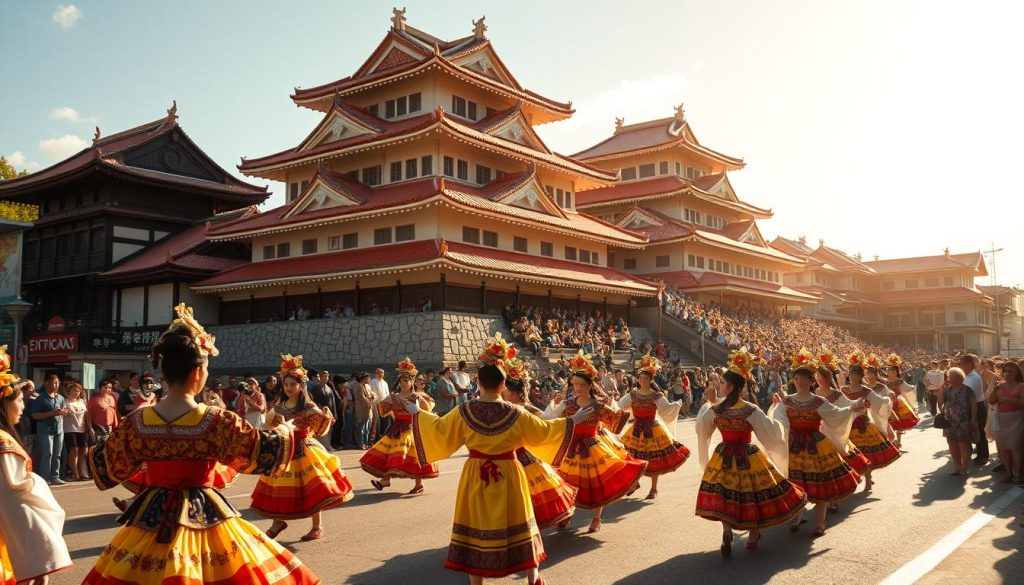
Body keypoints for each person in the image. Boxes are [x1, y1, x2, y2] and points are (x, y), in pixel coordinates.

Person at [84, 303, 319, 583]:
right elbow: (258, 452)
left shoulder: (136, 421)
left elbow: (106, 466)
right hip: (203, 512)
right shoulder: (216, 420)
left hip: (150, 516)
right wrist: (288, 429)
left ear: (164, 373)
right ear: (197, 372)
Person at [407, 333, 593, 585]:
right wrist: (572, 421)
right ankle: (533, 577)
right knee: (520, 522)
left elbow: (438, 430)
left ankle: (477, 583)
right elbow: (545, 432)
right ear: (503, 386)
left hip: (476, 475)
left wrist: (417, 413)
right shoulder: (516, 412)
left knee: (477, 524)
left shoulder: (464, 410)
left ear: (478, 383)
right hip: (510, 474)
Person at [695, 347, 808, 556]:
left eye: (722, 383)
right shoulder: (750, 409)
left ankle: (727, 529)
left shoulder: (716, 409)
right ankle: (753, 534)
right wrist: (781, 416)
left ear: (731, 387)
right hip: (748, 456)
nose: (719, 386)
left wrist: (710, 404)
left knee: (724, 493)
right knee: (752, 494)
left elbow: (701, 429)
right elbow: (772, 432)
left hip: (723, 457)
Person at [252, 354, 354, 542]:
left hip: (305, 449)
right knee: (278, 487)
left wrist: (326, 417)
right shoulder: (280, 405)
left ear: (301, 385)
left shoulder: (308, 406)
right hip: (284, 450)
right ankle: (277, 523)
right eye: (286, 384)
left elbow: (320, 431)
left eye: (292, 384)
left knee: (313, 489)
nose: (289, 388)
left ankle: (317, 527)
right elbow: (270, 425)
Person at [544, 350, 647, 534]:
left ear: (590, 385)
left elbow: (617, 425)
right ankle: (567, 513)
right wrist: (553, 403)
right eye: (574, 384)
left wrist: (613, 403)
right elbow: (549, 420)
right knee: (567, 482)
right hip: (571, 448)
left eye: (581, 384)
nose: (577, 388)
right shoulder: (567, 404)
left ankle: (596, 518)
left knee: (596, 485)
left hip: (592, 448)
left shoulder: (598, 405)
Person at [0, 347, 73, 585]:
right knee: (34, 570)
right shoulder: (3, 440)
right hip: (20, 513)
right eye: (19, 401)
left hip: (19, 511)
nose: (23, 407)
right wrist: (37, 483)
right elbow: (15, 483)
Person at [769, 349, 861, 537]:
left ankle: (820, 522)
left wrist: (853, 406)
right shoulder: (787, 401)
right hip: (794, 446)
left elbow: (836, 414)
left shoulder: (818, 401)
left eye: (803, 378)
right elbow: (777, 422)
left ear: (812, 381)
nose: (799, 381)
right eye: (796, 378)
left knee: (819, 484)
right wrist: (775, 405)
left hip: (815, 445)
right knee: (796, 482)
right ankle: (798, 516)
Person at [503, 357, 577, 531]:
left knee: (539, 493)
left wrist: (558, 407)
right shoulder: (502, 407)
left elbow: (547, 421)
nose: (502, 392)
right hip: (508, 457)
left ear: (515, 393)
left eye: (505, 390)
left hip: (525, 456)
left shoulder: (526, 409)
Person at [617, 353, 689, 500]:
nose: (642, 380)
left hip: (653, 429)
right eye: (641, 378)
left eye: (646, 378)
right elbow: (619, 407)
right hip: (636, 429)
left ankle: (654, 488)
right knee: (630, 457)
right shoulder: (632, 395)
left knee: (653, 459)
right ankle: (634, 483)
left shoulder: (657, 396)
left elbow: (666, 410)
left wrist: (676, 405)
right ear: (638, 379)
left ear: (650, 380)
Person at [361, 358, 438, 494]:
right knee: (388, 453)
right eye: (401, 381)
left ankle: (418, 484)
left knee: (413, 456)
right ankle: (385, 480)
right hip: (396, 429)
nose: (403, 383)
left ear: (412, 382)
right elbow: (383, 412)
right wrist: (381, 401)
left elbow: (428, 412)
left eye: (406, 381)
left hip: (412, 429)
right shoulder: (393, 397)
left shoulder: (417, 396)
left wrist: (418, 406)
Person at [843, 352, 900, 490]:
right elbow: (838, 406)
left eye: (856, 374)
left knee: (866, 453)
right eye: (851, 374)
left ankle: (868, 480)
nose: (853, 377)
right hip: (847, 424)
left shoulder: (866, 390)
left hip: (863, 424)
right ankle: (855, 478)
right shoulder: (843, 390)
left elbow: (880, 402)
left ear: (860, 376)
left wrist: (889, 398)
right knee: (849, 454)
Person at [987, 360, 1023, 484]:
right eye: (1005, 371)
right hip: (1001, 419)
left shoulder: (1021, 386)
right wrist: (996, 388)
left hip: (1016, 419)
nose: (1007, 373)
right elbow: (991, 401)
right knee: (1003, 448)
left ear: (1016, 373)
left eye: (1011, 371)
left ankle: (1017, 475)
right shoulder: (1000, 385)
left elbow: (1022, 404)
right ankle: (1008, 473)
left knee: (1015, 448)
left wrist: (1007, 400)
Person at [29, 373, 68, 485]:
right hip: (45, 429)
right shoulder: (40, 399)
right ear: (46, 383)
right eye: (52, 382)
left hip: (59, 429)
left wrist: (64, 412)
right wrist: (52, 413)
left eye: (57, 383)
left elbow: (62, 411)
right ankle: (45, 478)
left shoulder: (60, 398)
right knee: (47, 453)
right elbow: (35, 415)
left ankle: (55, 476)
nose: (55, 385)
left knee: (57, 453)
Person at [939, 367, 978, 477]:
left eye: (953, 377)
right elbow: (940, 403)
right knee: (952, 444)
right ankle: (958, 467)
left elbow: (973, 404)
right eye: (949, 377)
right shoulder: (947, 390)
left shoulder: (967, 390)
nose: (950, 379)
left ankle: (964, 468)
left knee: (963, 444)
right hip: (949, 421)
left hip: (963, 421)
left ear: (960, 378)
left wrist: (973, 419)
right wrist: (941, 390)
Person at [883, 354, 919, 448]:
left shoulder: (900, 382)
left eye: (893, 370)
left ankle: (898, 442)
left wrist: (913, 388)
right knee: (890, 424)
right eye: (889, 370)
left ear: (896, 372)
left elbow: (908, 389)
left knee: (899, 424)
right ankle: (893, 441)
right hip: (888, 404)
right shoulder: (884, 382)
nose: (891, 372)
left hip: (898, 404)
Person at [958, 354, 988, 465]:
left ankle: (983, 456)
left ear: (969, 364)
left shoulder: (973, 377)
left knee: (979, 432)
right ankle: (979, 454)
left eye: (961, 363)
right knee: (974, 431)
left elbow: (972, 397)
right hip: (972, 406)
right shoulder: (968, 376)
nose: (960, 365)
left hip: (977, 406)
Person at [61, 380, 91, 481]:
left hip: (81, 429)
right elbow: (62, 414)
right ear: (69, 391)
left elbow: (87, 416)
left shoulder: (82, 402)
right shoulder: (65, 402)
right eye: (74, 390)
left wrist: (89, 428)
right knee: (74, 450)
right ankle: (75, 473)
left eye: (78, 391)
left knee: (83, 450)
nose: (76, 392)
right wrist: (65, 412)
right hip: (70, 429)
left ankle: (81, 471)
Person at [307, 369, 338, 449]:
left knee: (330, 430)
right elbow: (314, 402)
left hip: (330, 413)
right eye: (323, 376)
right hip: (321, 413)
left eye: (327, 376)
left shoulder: (329, 388)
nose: (325, 378)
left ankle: (328, 445)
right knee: (322, 430)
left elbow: (333, 402)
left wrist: (334, 414)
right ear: (320, 377)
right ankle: (322, 446)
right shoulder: (315, 389)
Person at [87, 379, 119, 444]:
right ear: (101, 387)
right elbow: (88, 416)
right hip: (99, 427)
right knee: (100, 448)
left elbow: (115, 412)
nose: (109, 389)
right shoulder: (94, 400)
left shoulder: (113, 397)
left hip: (111, 427)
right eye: (106, 387)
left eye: (110, 388)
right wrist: (90, 429)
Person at [353, 372, 376, 449]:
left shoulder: (368, 386)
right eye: (367, 377)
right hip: (361, 409)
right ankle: (360, 444)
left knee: (367, 429)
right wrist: (370, 399)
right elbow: (361, 398)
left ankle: (366, 443)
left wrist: (372, 397)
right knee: (361, 428)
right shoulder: (359, 386)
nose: (369, 379)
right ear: (363, 378)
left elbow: (374, 394)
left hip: (369, 409)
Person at [369, 367, 391, 440]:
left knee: (385, 421)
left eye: (382, 373)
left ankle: (384, 437)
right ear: (376, 374)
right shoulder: (372, 382)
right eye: (380, 373)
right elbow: (371, 392)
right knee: (377, 422)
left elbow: (387, 393)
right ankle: (377, 438)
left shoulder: (385, 382)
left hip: (384, 404)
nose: (381, 374)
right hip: (376, 404)